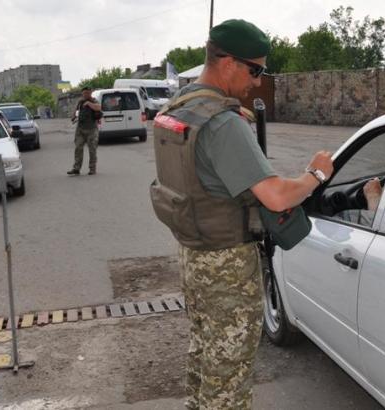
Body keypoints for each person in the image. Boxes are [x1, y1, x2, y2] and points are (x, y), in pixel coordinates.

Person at [150, 19, 333, 410]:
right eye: (255, 70)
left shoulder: (177, 108)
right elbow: (277, 197)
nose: (256, 82)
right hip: (226, 266)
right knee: (228, 375)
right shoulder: (222, 122)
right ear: (228, 62)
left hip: (193, 254)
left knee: (205, 355)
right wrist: (316, 173)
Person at [67, 86, 102, 175]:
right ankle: (76, 168)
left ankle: (92, 169)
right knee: (78, 148)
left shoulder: (94, 101)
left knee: (92, 150)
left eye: (87, 93)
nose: (85, 95)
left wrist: (89, 104)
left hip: (92, 129)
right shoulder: (80, 102)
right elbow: (76, 110)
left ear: (90, 93)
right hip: (80, 129)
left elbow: (99, 108)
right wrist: (74, 115)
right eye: (84, 93)